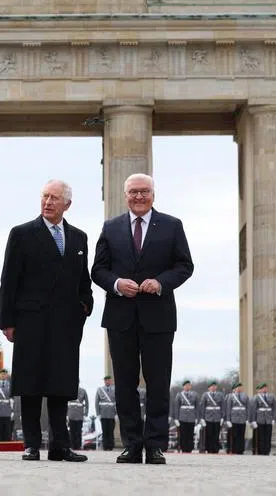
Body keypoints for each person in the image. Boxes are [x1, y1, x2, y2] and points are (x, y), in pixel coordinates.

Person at [91, 173, 195, 465]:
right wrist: (116, 283)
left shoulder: (172, 226)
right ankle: (132, 444)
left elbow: (185, 266)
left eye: (144, 191)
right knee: (124, 382)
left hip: (158, 316)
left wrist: (161, 283)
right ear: (126, 195)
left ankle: (155, 445)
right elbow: (98, 270)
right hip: (120, 316)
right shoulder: (110, 228)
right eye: (133, 192)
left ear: (153, 194)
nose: (139, 197)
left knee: (158, 382)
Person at [0, 178, 93, 463]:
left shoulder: (79, 237)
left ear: (67, 204)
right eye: (44, 197)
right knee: (30, 385)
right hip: (30, 320)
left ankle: (60, 446)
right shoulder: (22, 233)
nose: (48, 202)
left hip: (66, 323)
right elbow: (9, 280)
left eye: (54, 198)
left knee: (61, 385)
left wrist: (85, 306)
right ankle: (31, 444)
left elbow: (82, 279)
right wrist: (7, 321)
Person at [247, 382, 275, 455]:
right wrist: (253, 420)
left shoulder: (271, 396)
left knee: (268, 436)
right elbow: (254, 410)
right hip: (260, 418)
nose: (264, 389)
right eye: (263, 388)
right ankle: (261, 450)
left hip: (269, 419)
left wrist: (273, 418)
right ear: (261, 389)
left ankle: (267, 451)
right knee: (261, 436)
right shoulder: (256, 397)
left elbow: (274, 408)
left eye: (265, 388)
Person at [171, 380, 198, 453]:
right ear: (183, 386)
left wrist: (196, 417)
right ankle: (183, 448)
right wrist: (176, 418)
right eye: (186, 385)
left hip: (191, 417)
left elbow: (197, 407)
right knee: (183, 434)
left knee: (190, 433)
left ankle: (190, 448)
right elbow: (176, 407)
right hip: (182, 417)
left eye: (189, 385)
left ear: (190, 386)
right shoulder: (179, 395)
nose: (187, 387)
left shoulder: (194, 395)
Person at [0, 369, 15, 442]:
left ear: (7, 375)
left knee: (7, 429)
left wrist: (13, 410)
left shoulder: (10, 385)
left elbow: (12, 398)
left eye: (5, 374)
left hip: (7, 409)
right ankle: (0, 444)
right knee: (0, 429)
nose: (3, 375)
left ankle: (7, 444)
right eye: (2, 374)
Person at [200, 382, 223, 454]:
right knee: (209, 434)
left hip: (217, 417)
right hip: (208, 417)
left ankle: (216, 449)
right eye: (212, 386)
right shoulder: (205, 395)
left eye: (214, 386)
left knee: (216, 434)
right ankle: (208, 448)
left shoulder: (220, 395)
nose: (213, 387)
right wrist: (202, 418)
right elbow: (202, 406)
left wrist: (222, 417)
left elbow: (223, 406)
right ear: (209, 388)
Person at [95, 377, 117, 451]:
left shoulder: (115, 389)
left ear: (110, 381)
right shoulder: (100, 390)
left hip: (111, 413)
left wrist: (116, 413)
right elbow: (96, 402)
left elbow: (117, 402)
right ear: (104, 381)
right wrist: (98, 413)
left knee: (111, 430)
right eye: (106, 380)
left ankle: (110, 446)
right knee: (104, 431)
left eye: (108, 380)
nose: (107, 381)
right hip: (103, 413)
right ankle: (105, 446)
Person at [67, 385, 89, 451]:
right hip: (71, 414)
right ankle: (72, 446)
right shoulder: (69, 390)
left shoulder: (83, 391)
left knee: (78, 431)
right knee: (72, 431)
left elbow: (87, 403)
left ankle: (78, 446)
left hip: (79, 414)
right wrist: (66, 414)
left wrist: (86, 413)